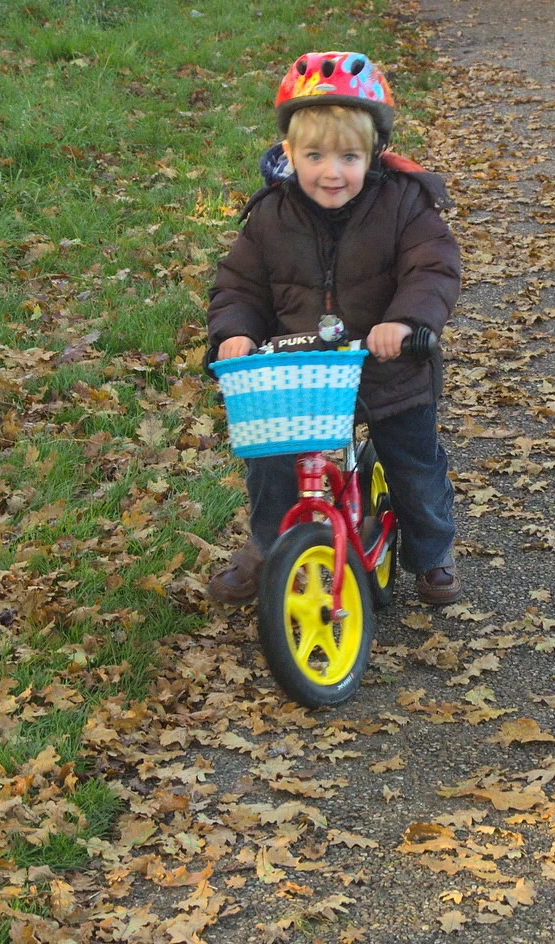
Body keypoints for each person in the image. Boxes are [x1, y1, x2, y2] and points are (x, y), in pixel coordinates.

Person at [204, 51, 463, 607]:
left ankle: (431, 551)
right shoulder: (272, 216)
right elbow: (239, 287)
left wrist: (405, 321)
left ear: (373, 153)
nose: (331, 172)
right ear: (289, 154)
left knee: (413, 465)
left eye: (348, 156)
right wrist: (235, 332)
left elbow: (432, 265)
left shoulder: (403, 204)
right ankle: (270, 544)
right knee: (272, 464)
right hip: (301, 374)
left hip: (388, 370)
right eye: (315, 155)